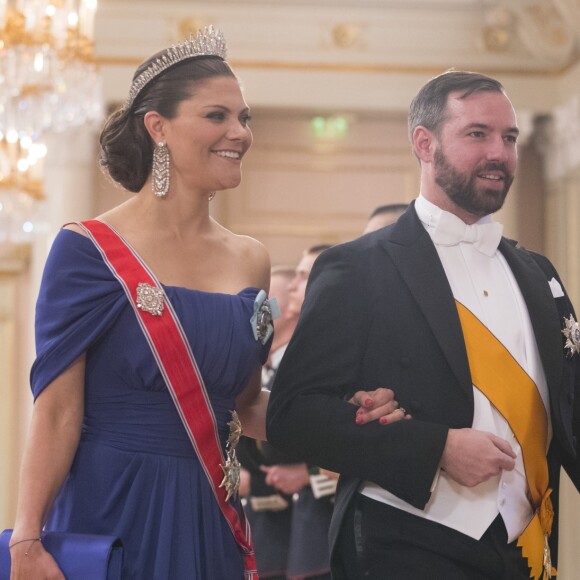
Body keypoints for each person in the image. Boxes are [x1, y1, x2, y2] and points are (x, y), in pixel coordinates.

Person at [7, 27, 405, 580]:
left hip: (211, 511)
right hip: (112, 508)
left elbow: (247, 408)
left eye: (245, 118)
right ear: (157, 127)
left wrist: (346, 416)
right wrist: (26, 538)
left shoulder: (251, 259)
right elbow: (56, 411)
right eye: (217, 116)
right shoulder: (87, 249)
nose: (239, 132)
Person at [267, 70, 580, 580]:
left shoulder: (537, 273)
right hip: (403, 544)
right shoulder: (357, 268)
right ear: (424, 143)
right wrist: (437, 449)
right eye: (477, 134)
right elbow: (293, 416)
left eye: (509, 138)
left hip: (527, 548)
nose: (498, 153)